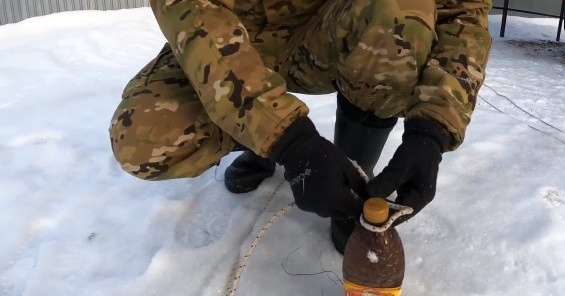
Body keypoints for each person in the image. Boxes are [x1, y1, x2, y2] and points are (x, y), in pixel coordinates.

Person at [109, 0, 491, 253]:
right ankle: (258, 146)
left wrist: (434, 129)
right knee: (144, 139)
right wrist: (285, 138)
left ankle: (355, 186)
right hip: (226, 32)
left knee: (399, 8)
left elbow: (461, 11)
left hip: (329, 29)